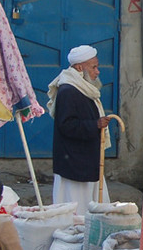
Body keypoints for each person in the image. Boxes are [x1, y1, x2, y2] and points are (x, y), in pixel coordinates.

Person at [47, 44, 110, 217]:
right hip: (74, 163)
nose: (97, 72)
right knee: (76, 209)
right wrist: (95, 125)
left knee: (92, 206)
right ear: (80, 68)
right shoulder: (68, 90)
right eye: (94, 67)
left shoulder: (83, 89)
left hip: (86, 159)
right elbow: (66, 125)